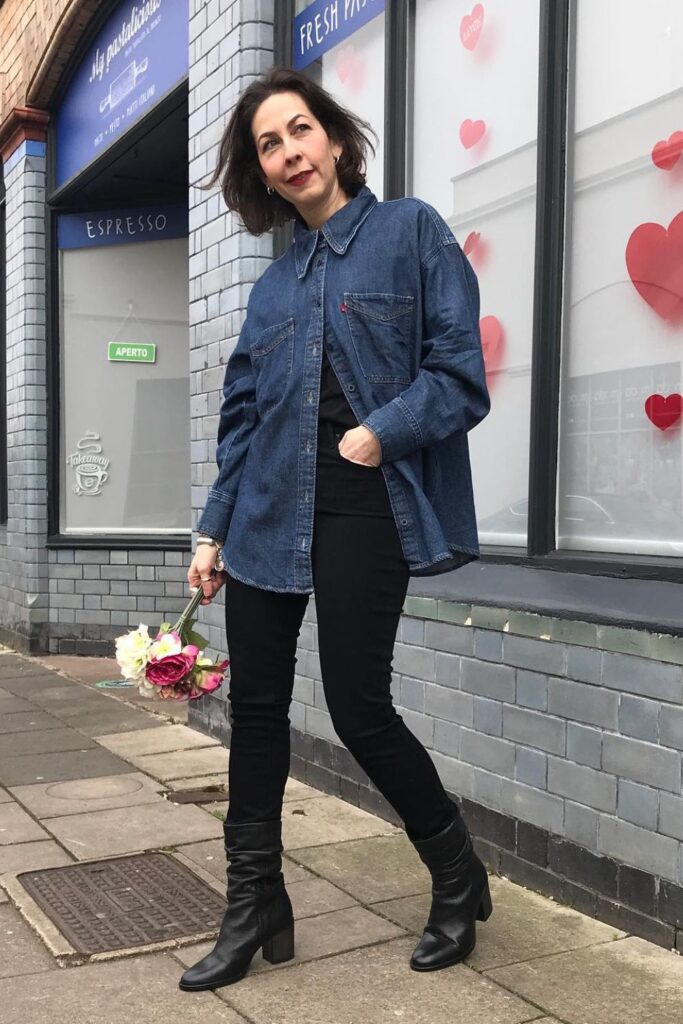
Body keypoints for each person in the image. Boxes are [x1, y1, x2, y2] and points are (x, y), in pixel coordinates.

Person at [179, 66, 492, 994]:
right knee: (257, 715)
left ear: (333, 137)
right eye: (269, 145)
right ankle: (254, 905)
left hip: (365, 499)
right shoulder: (272, 288)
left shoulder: (409, 233)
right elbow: (241, 421)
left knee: (358, 709)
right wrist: (212, 531)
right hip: (268, 510)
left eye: (299, 129)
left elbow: (458, 374)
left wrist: (376, 432)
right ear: (263, 173)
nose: (289, 152)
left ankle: (454, 872)